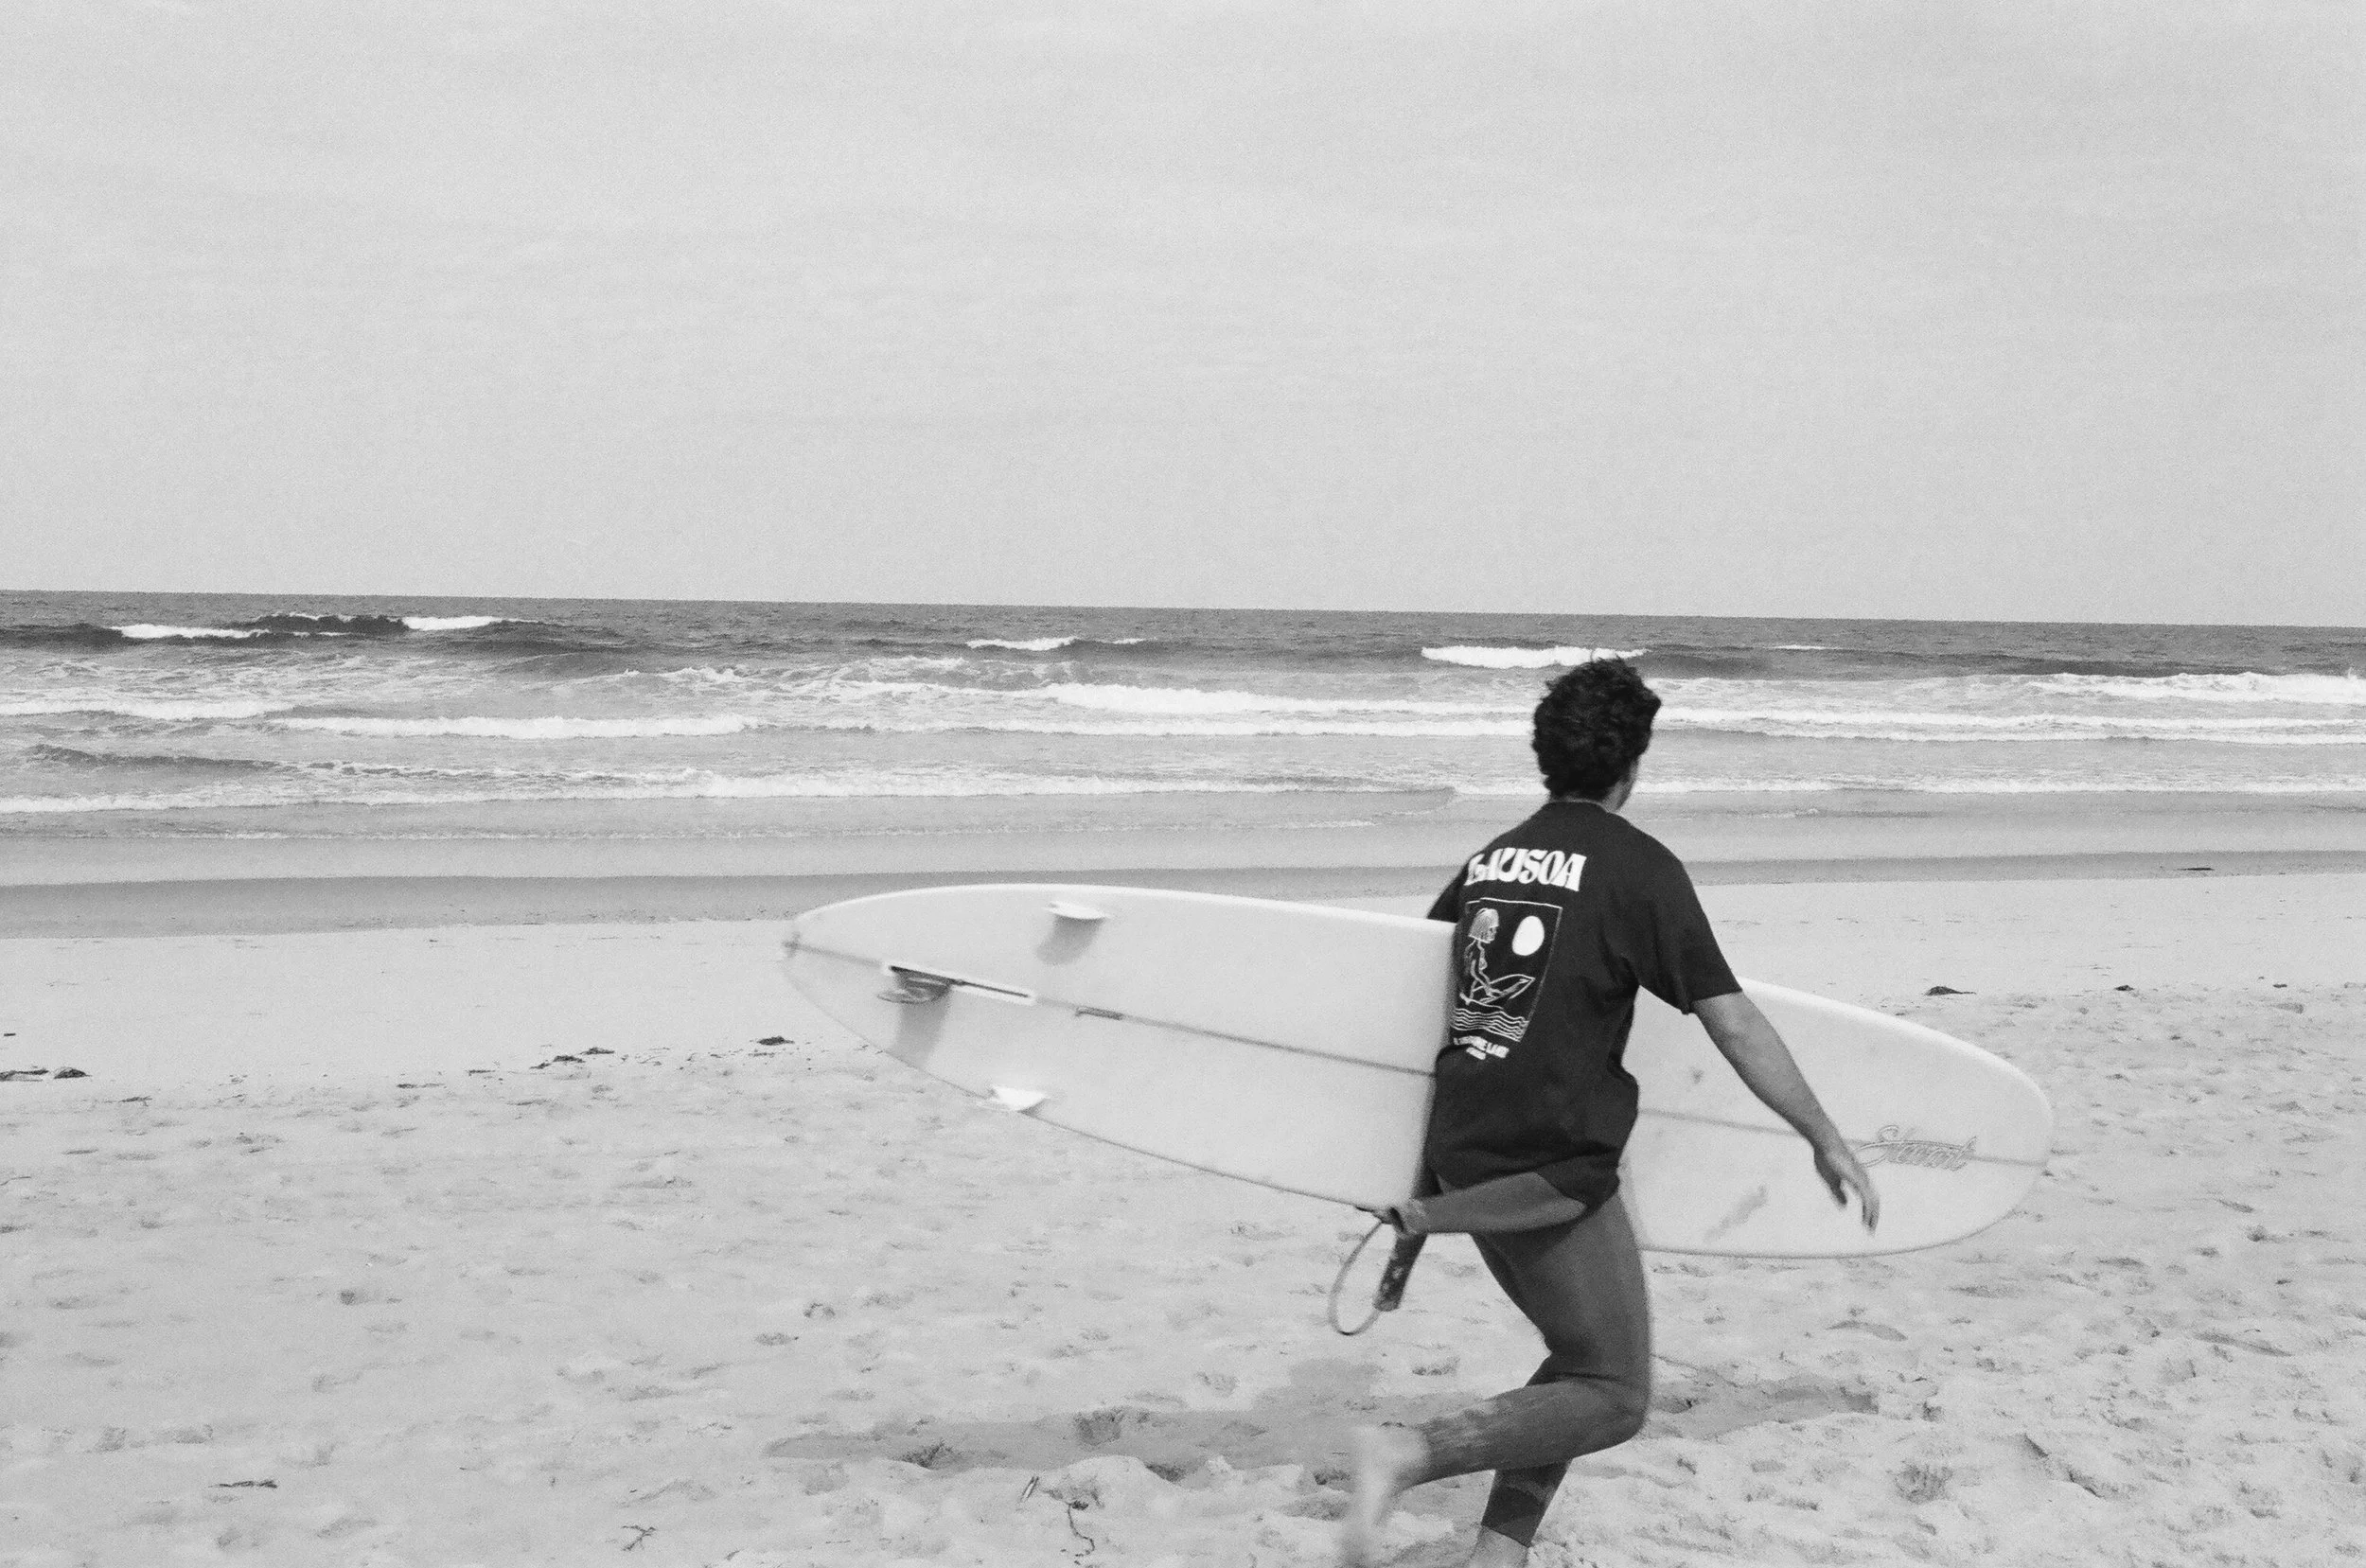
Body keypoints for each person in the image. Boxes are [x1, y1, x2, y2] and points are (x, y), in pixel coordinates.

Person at [1337, 658, 1880, 1567]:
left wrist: (1418, 1203)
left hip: (1467, 1155)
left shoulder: (1488, 861)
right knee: (1615, 1391)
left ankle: (1498, 1552)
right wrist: (1824, 1136)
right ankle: (1407, 1452)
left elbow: (1429, 1019)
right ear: (1634, 762)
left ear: (1545, 758)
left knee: (1577, 1353)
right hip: (1551, 1170)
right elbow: (1733, 1022)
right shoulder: (1639, 869)